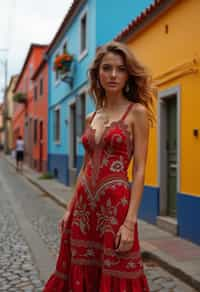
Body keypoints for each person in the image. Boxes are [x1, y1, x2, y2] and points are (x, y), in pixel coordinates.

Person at [43, 41, 155, 291]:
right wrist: (69, 209)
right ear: (97, 74)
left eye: (121, 69)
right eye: (107, 68)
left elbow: (139, 170)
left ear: (128, 75)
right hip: (84, 209)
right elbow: (86, 167)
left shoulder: (136, 112)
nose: (113, 75)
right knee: (82, 270)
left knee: (118, 270)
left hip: (114, 210)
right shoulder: (90, 117)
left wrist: (130, 222)